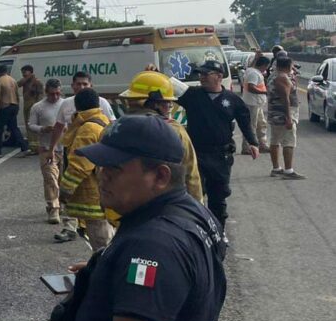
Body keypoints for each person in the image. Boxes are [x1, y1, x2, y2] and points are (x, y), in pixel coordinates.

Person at [60, 115, 229, 321]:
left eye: (115, 169)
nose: (102, 176)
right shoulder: (190, 212)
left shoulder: (154, 243)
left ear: (160, 176)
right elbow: (183, 281)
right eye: (101, 166)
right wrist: (110, 274)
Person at [176, 59, 259, 226]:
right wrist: (155, 72)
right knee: (195, 194)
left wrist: (253, 142)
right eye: (201, 74)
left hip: (221, 156)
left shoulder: (232, 100)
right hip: (197, 154)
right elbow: (167, 88)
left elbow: (244, 122)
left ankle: (219, 233)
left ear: (219, 76)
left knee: (219, 196)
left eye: (206, 74)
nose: (202, 77)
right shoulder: (191, 95)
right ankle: (196, 231)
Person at [118, 71, 203, 201]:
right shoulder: (174, 130)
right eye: (167, 102)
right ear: (154, 103)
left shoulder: (115, 129)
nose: (170, 106)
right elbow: (191, 174)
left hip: (125, 205)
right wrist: (197, 208)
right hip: (166, 205)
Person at [57, 88, 112, 249]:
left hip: (92, 197)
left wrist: (65, 191)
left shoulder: (88, 128)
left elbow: (79, 165)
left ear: (77, 106)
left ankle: (104, 271)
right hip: (102, 192)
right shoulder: (102, 121)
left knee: (101, 244)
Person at [28, 78, 69, 226]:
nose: (55, 97)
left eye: (58, 93)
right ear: (46, 92)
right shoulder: (38, 107)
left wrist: (65, 129)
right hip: (46, 149)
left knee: (62, 180)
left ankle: (62, 204)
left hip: (65, 148)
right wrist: (42, 129)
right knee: (50, 179)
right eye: (52, 94)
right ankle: (53, 208)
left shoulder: (66, 104)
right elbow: (31, 125)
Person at [50, 72, 117, 152]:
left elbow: (112, 125)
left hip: (96, 148)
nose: (82, 87)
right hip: (72, 149)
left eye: (85, 84)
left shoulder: (102, 102)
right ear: (72, 86)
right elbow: (58, 127)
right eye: (78, 84)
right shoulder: (66, 103)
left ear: (91, 86)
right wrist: (51, 149)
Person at [267, 56, 305, 179]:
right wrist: (288, 117)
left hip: (274, 112)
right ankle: (288, 171)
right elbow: (285, 99)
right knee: (288, 141)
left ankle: (276, 168)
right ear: (288, 65)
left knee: (275, 140)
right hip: (283, 113)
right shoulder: (282, 78)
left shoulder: (273, 75)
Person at [0, 63, 30, 158]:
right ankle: (24, 147)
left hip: (4, 107)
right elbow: (16, 94)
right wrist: (17, 105)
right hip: (14, 106)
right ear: (6, 71)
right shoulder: (13, 80)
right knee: (14, 128)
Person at [241, 54, 270, 153]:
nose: (266, 69)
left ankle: (262, 144)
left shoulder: (252, 70)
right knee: (251, 126)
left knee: (261, 125)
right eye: (266, 66)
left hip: (257, 104)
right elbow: (251, 87)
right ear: (264, 65)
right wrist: (264, 92)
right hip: (252, 104)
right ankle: (247, 147)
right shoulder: (253, 74)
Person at [18, 65, 43, 156]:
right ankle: (32, 147)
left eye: (25, 72)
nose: (23, 74)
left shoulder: (37, 82)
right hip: (26, 105)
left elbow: (40, 95)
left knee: (33, 126)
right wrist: (27, 78)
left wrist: (38, 107)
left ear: (30, 72)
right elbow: (18, 84)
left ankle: (36, 148)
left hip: (33, 106)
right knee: (28, 126)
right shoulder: (25, 82)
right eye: (22, 72)